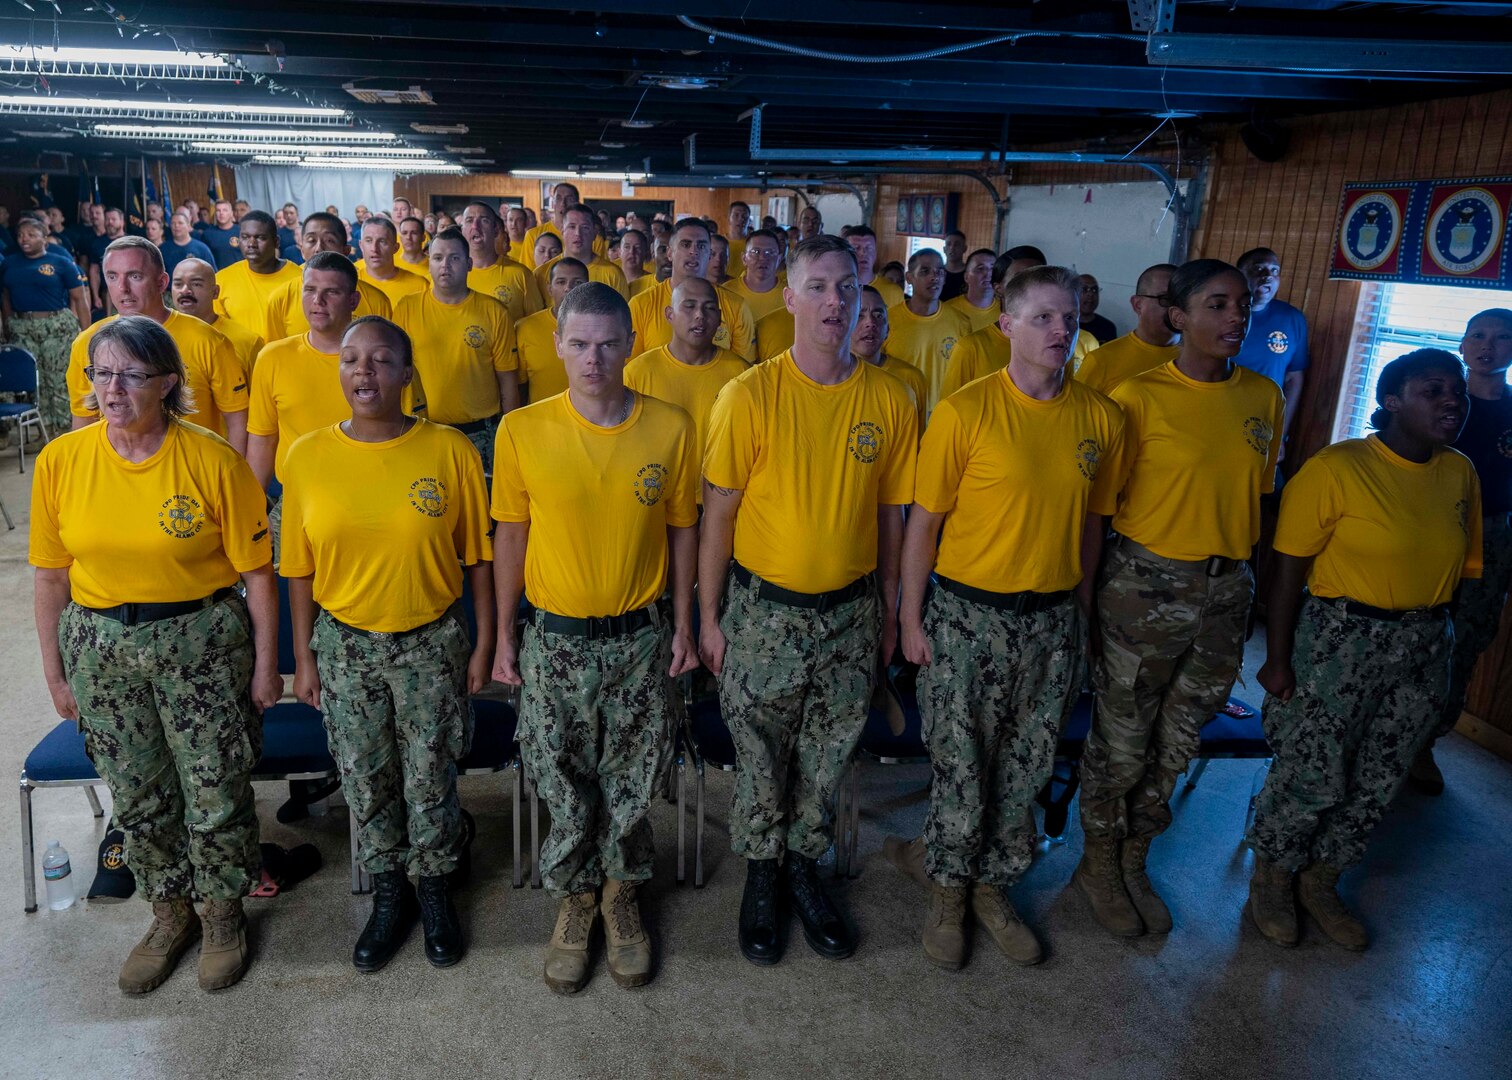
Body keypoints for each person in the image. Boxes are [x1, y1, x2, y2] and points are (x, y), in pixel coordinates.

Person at [31, 315, 279, 994]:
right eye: (100, 373)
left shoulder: (212, 459)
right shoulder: (62, 460)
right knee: (137, 790)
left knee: (215, 785)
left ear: (168, 382)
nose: (112, 388)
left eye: (130, 374)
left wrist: (265, 664)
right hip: (101, 646)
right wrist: (55, 671)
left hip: (199, 641)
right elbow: (51, 576)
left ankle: (222, 912)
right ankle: (170, 911)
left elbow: (258, 574)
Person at [897, 266, 1124, 969]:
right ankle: (947, 891)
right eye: (1045, 318)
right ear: (1007, 328)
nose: (1062, 330)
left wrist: (1082, 613)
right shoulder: (966, 413)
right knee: (962, 768)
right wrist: (910, 619)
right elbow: (923, 527)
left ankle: (994, 887)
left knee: (1025, 771)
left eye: (1071, 317)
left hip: (1051, 622)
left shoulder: (1100, 418)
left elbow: (1092, 525)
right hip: (968, 618)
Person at [701, 235, 918, 967]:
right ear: (788, 299)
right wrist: (708, 616)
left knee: (828, 757)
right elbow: (719, 516)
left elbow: (891, 516)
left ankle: (803, 866)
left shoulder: (889, 398)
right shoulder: (749, 395)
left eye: (846, 286)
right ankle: (762, 875)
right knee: (759, 756)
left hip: (851, 614)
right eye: (818, 286)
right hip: (765, 614)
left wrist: (888, 612)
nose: (835, 300)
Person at [491, 282, 699, 994]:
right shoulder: (521, 430)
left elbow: (682, 531)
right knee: (564, 775)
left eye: (609, 343)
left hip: (641, 637)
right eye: (578, 343)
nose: (594, 358)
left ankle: (621, 891)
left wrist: (688, 626)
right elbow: (510, 536)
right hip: (555, 638)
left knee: (634, 779)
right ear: (557, 345)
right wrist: (501, 637)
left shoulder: (670, 426)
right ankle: (576, 898)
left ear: (631, 343)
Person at [1074, 259, 1284, 939]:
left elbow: (1252, 495)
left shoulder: (1262, 397)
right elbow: (1098, 511)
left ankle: (1137, 857)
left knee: (1179, 738)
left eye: (1243, 305)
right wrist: (1085, 603)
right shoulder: (1137, 398)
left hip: (1226, 592)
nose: (1235, 318)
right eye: (1217, 305)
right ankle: (1098, 864)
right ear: (1178, 316)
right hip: (1145, 585)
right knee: (1123, 737)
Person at [1246, 349, 1480, 951]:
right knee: (1313, 769)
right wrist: (1276, 659)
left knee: (1381, 773)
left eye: (1457, 391)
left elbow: (1464, 567)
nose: (1452, 401)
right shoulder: (1340, 467)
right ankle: (1272, 879)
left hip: (1425, 642)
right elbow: (1286, 569)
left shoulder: (1459, 472)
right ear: (1393, 401)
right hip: (1343, 638)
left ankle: (1322, 879)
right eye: (1434, 390)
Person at [282, 315, 492, 972]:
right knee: (367, 780)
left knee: (431, 777)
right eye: (351, 360)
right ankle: (390, 892)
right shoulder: (308, 455)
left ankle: (434, 888)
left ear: (406, 374)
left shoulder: (449, 449)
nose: (363, 372)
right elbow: (297, 568)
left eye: (380, 361)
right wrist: (305, 657)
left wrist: (483, 645)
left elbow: (477, 559)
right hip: (346, 647)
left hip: (431, 644)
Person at [248, 252, 427, 561]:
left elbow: (415, 436)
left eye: (331, 292)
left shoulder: (385, 360)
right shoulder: (273, 358)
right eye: (310, 290)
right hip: (299, 500)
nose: (318, 300)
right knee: (296, 592)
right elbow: (263, 439)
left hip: (377, 496)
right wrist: (251, 508)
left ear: (354, 299)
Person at [1411, 309, 1512, 794]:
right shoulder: (1439, 401)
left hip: (1491, 536)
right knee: (1410, 629)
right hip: (1428, 528)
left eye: (1500, 338)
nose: (1487, 346)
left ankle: (1425, 744)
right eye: (1478, 336)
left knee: (1464, 643)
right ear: (1463, 342)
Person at [67, 238, 248, 453]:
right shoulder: (86, 343)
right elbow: (83, 421)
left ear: (162, 282)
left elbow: (237, 419)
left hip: (191, 472)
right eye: (112, 277)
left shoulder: (208, 340)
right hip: (117, 474)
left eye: (135, 276)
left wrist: (233, 475)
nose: (123, 288)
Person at [393, 227, 519, 459]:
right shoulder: (406, 308)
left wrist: (510, 433)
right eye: (438, 258)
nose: (445, 265)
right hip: (422, 429)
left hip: (481, 433)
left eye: (455, 258)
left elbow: (507, 379)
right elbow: (395, 371)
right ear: (428, 263)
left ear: (469, 263)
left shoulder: (494, 312)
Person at [937, 250, 1099, 402]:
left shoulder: (1060, 349)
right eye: (1020, 279)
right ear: (998, 287)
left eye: (1040, 278)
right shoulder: (971, 349)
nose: (1062, 330)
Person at [624, 275, 748, 466]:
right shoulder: (636, 374)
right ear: (669, 315)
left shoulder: (742, 376)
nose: (700, 315)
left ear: (719, 318)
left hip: (721, 490)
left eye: (709, 308)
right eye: (689, 306)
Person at [1, 215, 90, 434]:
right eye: (20, 235)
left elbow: (79, 299)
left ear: (45, 237)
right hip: (22, 328)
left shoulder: (61, 262)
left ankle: (64, 432)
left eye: (31, 234)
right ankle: (43, 432)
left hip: (55, 327)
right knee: (35, 383)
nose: (24, 239)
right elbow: (4, 297)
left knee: (58, 381)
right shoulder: (9, 263)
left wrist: (87, 334)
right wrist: (8, 323)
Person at [629, 218, 756, 361]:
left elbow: (743, 372)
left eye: (701, 246)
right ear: (669, 253)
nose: (693, 252)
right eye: (685, 244)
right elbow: (631, 370)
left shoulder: (736, 306)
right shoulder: (641, 305)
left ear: (709, 254)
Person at [263, 214, 392, 339]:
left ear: (346, 250)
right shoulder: (281, 298)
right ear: (302, 250)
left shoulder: (376, 300)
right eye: (311, 240)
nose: (319, 248)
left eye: (329, 240)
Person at [1234, 247, 1309, 447]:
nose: (1268, 276)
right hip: (1217, 416)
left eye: (1274, 270)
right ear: (1240, 276)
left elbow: (1294, 378)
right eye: (1259, 269)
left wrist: (1281, 435)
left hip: (1263, 427)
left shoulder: (1292, 318)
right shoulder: (1220, 314)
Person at [1074, 264, 1181, 397]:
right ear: (1138, 305)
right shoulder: (1102, 361)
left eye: (1181, 300)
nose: (1175, 309)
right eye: (1165, 299)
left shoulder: (1197, 363)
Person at [887, 248, 973, 410]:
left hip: (943, 412)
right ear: (909, 277)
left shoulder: (960, 322)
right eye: (925, 271)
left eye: (939, 272)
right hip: (898, 409)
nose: (934, 277)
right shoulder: (889, 320)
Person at [212, 211, 301, 340]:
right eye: (245, 237)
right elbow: (219, 334)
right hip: (241, 359)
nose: (251, 244)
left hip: (288, 358)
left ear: (276, 242)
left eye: (260, 237)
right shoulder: (222, 280)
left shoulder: (298, 278)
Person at [171, 258, 265, 379]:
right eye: (178, 284)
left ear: (215, 292)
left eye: (196, 284)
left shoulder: (248, 343)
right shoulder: (160, 338)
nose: (185, 291)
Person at [851, 286, 928, 429]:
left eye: (878, 315)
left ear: (887, 330)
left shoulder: (911, 378)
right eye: (859, 315)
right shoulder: (828, 377)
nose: (870, 323)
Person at [514, 257, 588, 405]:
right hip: (542, 420)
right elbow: (520, 385)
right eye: (561, 282)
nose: (568, 288)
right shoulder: (526, 328)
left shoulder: (600, 327)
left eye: (577, 282)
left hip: (590, 420)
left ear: (588, 286)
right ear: (549, 289)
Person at [459, 202, 542, 322]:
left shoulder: (521, 274)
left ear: (496, 230)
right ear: (462, 230)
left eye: (484, 220)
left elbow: (536, 324)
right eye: (469, 220)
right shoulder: (453, 275)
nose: (475, 226)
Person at [532, 205, 627, 299]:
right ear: (562, 231)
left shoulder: (613, 274)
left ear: (594, 233)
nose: (578, 233)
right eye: (572, 227)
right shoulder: (541, 274)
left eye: (585, 227)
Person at [520, 182, 607, 269]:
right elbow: (529, 273)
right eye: (558, 198)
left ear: (577, 203)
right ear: (553, 203)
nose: (563, 204)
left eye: (569, 199)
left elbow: (599, 271)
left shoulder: (594, 239)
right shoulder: (533, 235)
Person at [357, 217, 428, 307]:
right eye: (368, 241)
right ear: (361, 245)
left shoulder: (420, 286)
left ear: (395, 248)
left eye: (382, 242)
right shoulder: (350, 283)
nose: (374, 249)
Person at [731, 229, 786, 322]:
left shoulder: (789, 296)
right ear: (744, 259)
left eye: (770, 252)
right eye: (756, 252)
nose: (762, 258)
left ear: (779, 259)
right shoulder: (727, 292)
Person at [944, 249, 999, 332]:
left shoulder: (1006, 311)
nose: (988, 274)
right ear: (966, 277)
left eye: (992, 269)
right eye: (980, 269)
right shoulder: (948, 310)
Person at [161, 210, 215, 280]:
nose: (176, 226)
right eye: (173, 223)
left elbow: (212, 275)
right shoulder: (163, 249)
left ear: (188, 225)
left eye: (180, 223)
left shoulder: (202, 249)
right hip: (170, 289)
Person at [199, 200, 243, 270]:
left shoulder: (242, 231)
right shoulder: (207, 234)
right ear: (215, 214)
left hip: (240, 275)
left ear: (231, 213)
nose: (221, 213)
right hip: (218, 277)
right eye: (218, 210)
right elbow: (203, 259)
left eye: (225, 210)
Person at [1078, 274, 1118, 345]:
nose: (1090, 294)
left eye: (1094, 290)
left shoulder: (1107, 328)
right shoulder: (1064, 325)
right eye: (1084, 289)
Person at [620, 229, 654, 298]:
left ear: (646, 252)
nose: (632, 252)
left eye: (637, 247)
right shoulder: (612, 278)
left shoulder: (653, 283)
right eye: (627, 247)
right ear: (620, 251)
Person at [940, 231, 968, 301]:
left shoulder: (971, 274)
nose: (952, 248)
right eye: (948, 244)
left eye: (957, 244)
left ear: (964, 249)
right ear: (944, 249)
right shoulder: (937, 273)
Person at [726, 201, 752, 266]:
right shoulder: (721, 242)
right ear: (729, 218)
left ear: (749, 220)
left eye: (744, 216)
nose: (740, 219)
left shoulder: (753, 243)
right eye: (736, 215)